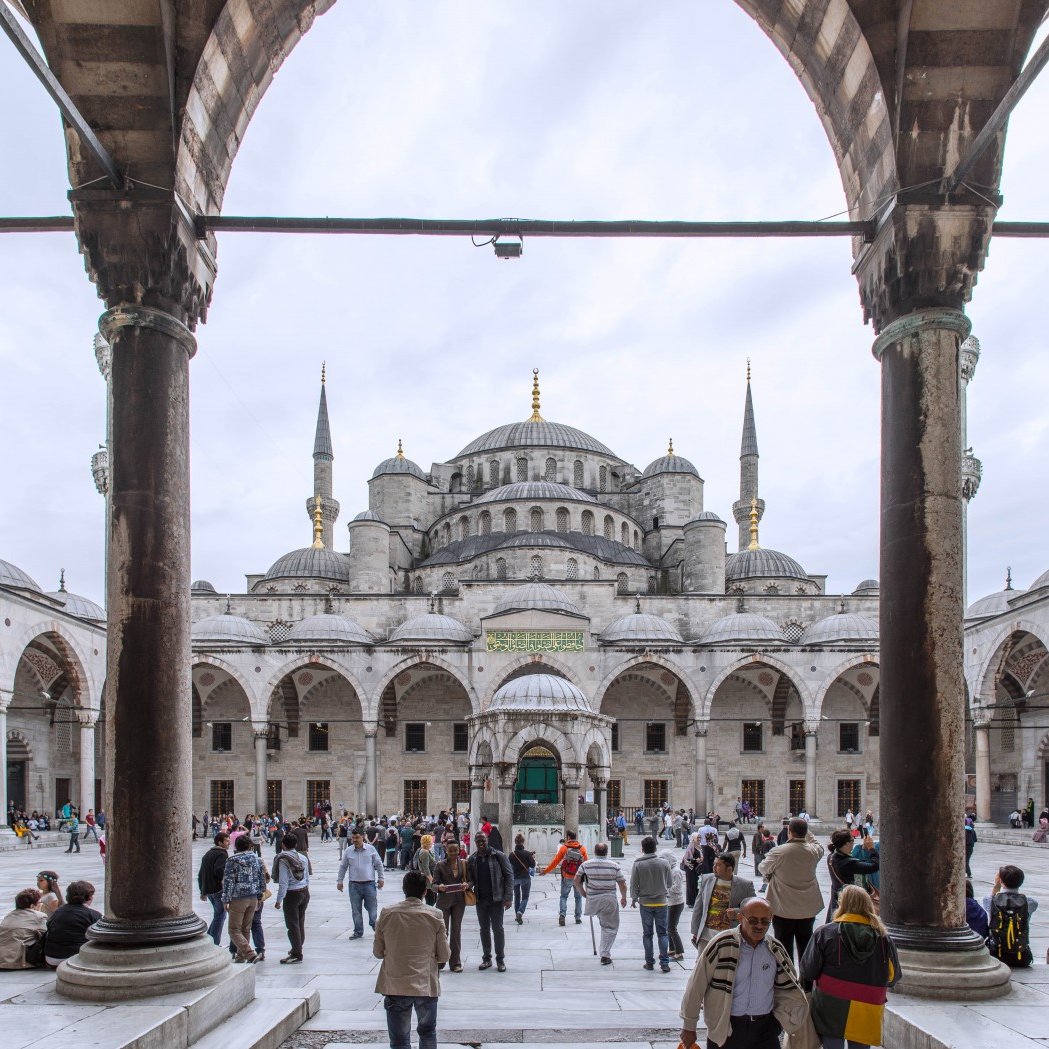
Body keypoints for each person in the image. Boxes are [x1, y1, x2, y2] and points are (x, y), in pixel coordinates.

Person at [679, 897, 808, 1049]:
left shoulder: (775, 949)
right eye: (753, 920)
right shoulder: (721, 944)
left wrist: (779, 1021)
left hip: (766, 1029)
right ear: (740, 918)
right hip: (726, 1029)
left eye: (765, 921)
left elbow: (789, 986)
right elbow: (696, 985)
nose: (759, 926)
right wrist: (689, 1026)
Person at [800, 884, 901, 1049]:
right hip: (868, 1003)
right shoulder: (883, 938)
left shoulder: (825, 933)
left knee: (832, 1044)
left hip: (831, 1002)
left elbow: (808, 970)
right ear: (868, 905)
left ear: (842, 904)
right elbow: (893, 977)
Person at [373, 871, 451, 1049]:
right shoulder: (435, 915)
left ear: (403, 889)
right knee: (428, 1032)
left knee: (399, 1040)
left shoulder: (387, 913)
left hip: (395, 985)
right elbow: (445, 955)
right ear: (425, 892)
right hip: (426, 985)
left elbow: (378, 952)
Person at [758, 817, 824, 966]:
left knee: (783, 947)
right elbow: (817, 844)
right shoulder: (814, 851)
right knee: (806, 945)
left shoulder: (780, 851)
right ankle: (806, 983)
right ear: (805, 832)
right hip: (807, 909)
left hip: (783, 909)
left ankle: (787, 981)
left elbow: (762, 867)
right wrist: (807, 831)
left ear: (789, 831)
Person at [466, 831, 513, 972]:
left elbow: (509, 876)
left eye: (483, 841)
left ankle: (500, 959)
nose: (481, 843)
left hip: (497, 899)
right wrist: (467, 885)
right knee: (484, 929)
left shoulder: (498, 856)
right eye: (478, 841)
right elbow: (471, 879)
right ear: (475, 842)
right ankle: (487, 958)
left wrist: (508, 897)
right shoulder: (472, 859)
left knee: (498, 929)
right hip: (481, 900)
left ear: (487, 841)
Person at [574, 842, 627, 964]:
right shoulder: (614, 866)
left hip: (593, 900)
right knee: (610, 927)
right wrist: (623, 897)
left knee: (605, 923)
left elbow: (576, 880)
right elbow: (622, 883)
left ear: (595, 851)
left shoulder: (585, 865)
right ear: (607, 852)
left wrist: (582, 892)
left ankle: (604, 951)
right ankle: (605, 954)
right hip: (609, 900)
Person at [691, 853, 756, 949]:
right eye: (714, 864)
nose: (714, 867)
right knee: (702, 963)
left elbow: (754, 908)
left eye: (718, 865)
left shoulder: (745, 885)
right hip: (705, 936)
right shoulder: (706, 879)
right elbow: (698, 906)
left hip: (729, 936)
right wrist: (695, 931)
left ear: (729, 869)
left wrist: (736, 912)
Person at [630, 835, 673, 973]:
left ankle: (649, 962)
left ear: (642, 849)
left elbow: (633, 884)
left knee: (647, 934)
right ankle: (664, 963)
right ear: (655, 848)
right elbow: (670, 883)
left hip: (646, 903)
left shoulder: (638, 864)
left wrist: (634, 899)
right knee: (663, 933)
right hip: (661, 902)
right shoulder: (664, 863)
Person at [222, 834, 266, 963]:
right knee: (245, 929)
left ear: (236, 846)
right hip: (253, 897)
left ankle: (249, 954)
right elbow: (261, 878)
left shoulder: (232, 860)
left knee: (234, 929)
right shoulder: (257, 859)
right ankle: (241, 957)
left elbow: (229, 881)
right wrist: (259, 897)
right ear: (250, 846)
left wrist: (226, 899)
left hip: (238, 897)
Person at [984, 864, 1038, 967]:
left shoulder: (990, 900)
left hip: (995, 954)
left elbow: (991, 898)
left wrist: (996, 886)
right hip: (1021, 956)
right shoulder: (1029, 902)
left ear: (1000, 881)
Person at [336, 829, 385, 938]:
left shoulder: (371, 849)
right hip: (354, 885)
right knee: (356, 910)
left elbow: (379, 864)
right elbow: (343, 867)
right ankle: (358, 931)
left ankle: (375, 927)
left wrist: (381, 879)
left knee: (372, 909)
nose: (354, 840)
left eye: (357, 837)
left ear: (363, 837)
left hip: (369, 885)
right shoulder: (348, 851)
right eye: (353, 838)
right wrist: (340, 881)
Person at [273, 831, 312, 964]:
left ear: (283, 844)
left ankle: (296, 953)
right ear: (295, 844)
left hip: (292, 894)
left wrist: (279, 899)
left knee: (292, 925)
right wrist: (306, 892)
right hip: (304, 892)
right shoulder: (303, 857)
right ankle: (297, 947)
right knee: (300, 922)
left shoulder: (283, 859)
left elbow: (283, 882)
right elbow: (307, 877)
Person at [45, 881, 102, 968]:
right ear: (89, 897)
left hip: (52, 958)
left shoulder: (57, 912)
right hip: (76, 958)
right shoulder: (93, 914)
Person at [432, 839, 469, 972]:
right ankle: (440, 961)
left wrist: (467, 885)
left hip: (459, 901)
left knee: (456, 931)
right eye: (450, 850)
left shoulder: (463, 863)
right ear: (446, 851)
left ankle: (455, 963)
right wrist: (439, 887)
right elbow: (433, 885)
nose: (453, 853)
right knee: (443, 932)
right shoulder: (440, 865)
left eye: (455, 850)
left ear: (459, 850)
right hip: (444, 902)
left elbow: (470, 880)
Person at [826, 830, 880, 921]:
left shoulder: (832, 856)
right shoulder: (847, 863)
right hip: (850, 902)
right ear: (847, 843)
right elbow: (874, 866)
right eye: (852, 841)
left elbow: (857, 863)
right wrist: (872, 849)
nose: (853, 844)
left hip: (839, 897)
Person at [542, 830, 589, 926]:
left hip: (567, 876)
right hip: (578, 877)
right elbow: (586, 864)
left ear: (568, 838)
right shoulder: (582, 849)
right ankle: (578, 918)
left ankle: (562, 916)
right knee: (578, 897)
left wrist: (546, 871)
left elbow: (555, 862)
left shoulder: (564, 848)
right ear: (575, 837)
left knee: (563, 896)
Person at [0, 888, 48, 969]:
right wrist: (38, 912)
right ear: (32, 905)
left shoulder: (9, 915)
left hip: (2, 960)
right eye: (39, 903)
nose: (41, 904)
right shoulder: (39, 916)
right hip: (19, 961)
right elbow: (46, 935)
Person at [197, 831, 230, 946]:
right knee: (220, 916)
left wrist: (203, 891)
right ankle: (214, 943)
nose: (229, 842)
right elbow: (219, 870)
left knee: (218, 915)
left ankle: (209, 939)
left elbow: (201, 874)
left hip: (209, 890)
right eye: (226, 841)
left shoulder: (207, 854)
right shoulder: (222, 854)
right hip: (218, 889)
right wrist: (225, 880)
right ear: (220, 842)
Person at [509, 833, 535, 924]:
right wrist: (532, 857)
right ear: (523, 842)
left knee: (517, 897)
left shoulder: (512, 855)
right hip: (525, 878)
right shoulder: (527, 854)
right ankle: (520, 912)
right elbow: (533, 865)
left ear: (515, 842)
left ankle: (517, 914)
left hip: (515, 878)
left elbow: (509, 866)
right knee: (525, 897)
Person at [667, 853, 687, 961]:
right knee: (668, 927)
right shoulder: (670, 870)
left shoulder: (676, 871)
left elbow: (677, 888)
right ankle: (672, 949)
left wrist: (665, 889)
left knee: (671, 928)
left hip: (676, 903)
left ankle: (679, 953)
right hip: (671, 902)